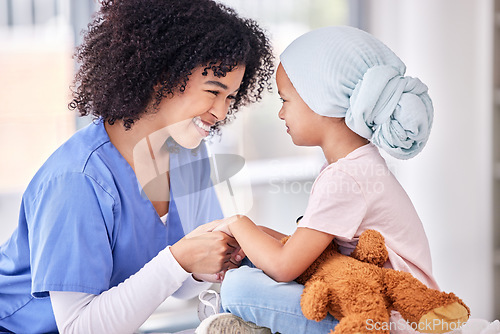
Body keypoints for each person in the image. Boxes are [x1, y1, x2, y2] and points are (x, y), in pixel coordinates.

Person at [0, 0, 274, 333]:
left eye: (230, 97)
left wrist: (212, 260)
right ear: (163, 75)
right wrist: (178, 259)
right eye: (213, 91)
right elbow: (79, 327)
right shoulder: (78, 179)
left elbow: (183, 284)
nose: (220, 113)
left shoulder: (189, 153)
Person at [196, 26, 437, 334]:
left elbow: (285, 266)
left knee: (239, 288)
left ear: (323, 99)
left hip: (387, 319)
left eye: (285, 100)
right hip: (370, 300)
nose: (281, 114)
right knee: (251, 263)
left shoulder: (346, 177)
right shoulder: (356, 164)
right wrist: (248, 238)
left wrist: (236, 222)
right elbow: (305, 249)